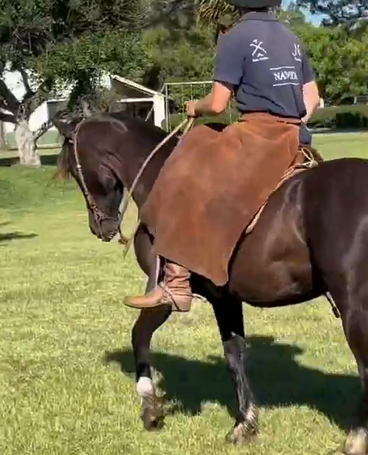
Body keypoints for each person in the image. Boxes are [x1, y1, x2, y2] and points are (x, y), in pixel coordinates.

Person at [123, 0, 321, 312]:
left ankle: (176, 283)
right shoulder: (290, 37)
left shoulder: (235, 37)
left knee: (192, 155)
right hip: (296, 136)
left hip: (258, 136)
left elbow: (217, 105)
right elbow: (313, 97)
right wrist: (291, 123)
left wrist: (194, 107)